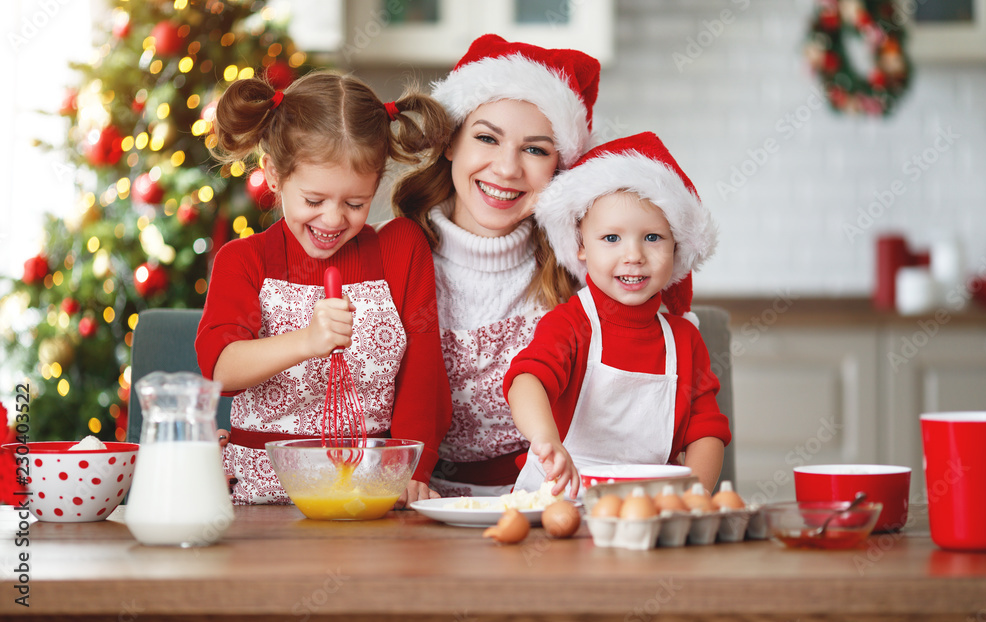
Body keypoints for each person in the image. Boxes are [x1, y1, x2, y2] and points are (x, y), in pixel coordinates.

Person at [196, 70, 453, 507]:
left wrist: (413, 470)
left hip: (370, 492)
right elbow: (221, 369)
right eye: (314, 200)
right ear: (274, 175)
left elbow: (423, 374)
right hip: (262, 498)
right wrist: (306, 341)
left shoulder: (400, 249)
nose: (333, 220)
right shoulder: (244, 260)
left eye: (355, 203)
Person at [391, 34, 601, 497]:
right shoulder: (394, 256)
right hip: (412, 501)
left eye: (535, 149)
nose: (507, 169)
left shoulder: (581, 273)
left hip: (543, 502)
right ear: (450, 144)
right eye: (487, 138)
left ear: (559, 169)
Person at [504, 132, 732, 498]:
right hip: (561, 497)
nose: (634, 256)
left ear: (677, 248)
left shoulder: (685, 340)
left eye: (653, 238)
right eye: (612, 238)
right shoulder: (571, 323)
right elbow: (527, 382)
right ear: (581, 246)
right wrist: (546, 440)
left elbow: (706, 431)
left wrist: (694, 496)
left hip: (650, 510)